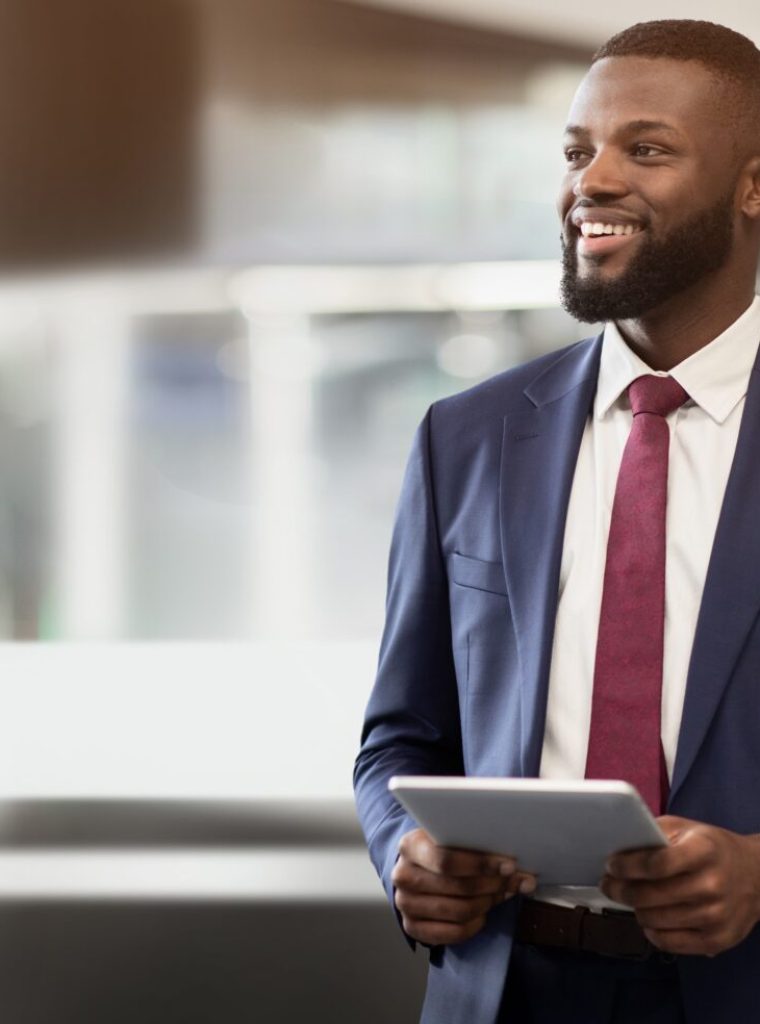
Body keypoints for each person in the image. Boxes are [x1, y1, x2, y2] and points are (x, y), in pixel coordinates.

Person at [353, 18, 760, 1024]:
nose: (593, 181)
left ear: (753, 186)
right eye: (578, 151)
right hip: (505, 988)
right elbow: (400, 734)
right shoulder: (468, 435)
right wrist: (403, 850)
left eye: (647, 149)